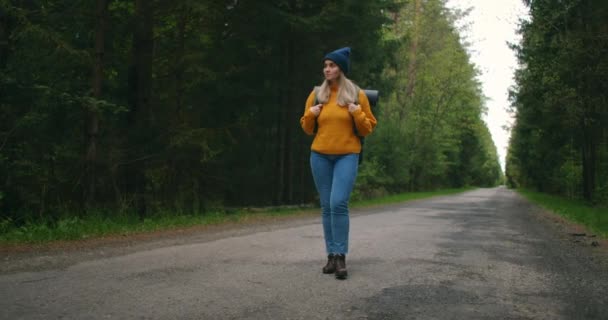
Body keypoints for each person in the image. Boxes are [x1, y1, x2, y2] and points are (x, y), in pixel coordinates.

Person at [300, 47, 377, 280]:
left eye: (332, 65)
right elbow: (306, 128)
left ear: (341, 68)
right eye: (325, 65)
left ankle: (341, 256)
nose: (327, 69)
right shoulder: (317, 94)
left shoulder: (357, 94)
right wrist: (311, 114)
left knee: (338, 203)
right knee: (326, 206)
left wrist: (356, 113)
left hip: (347, 155)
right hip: (320, 156)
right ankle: (331, 256)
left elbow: (368, 127)